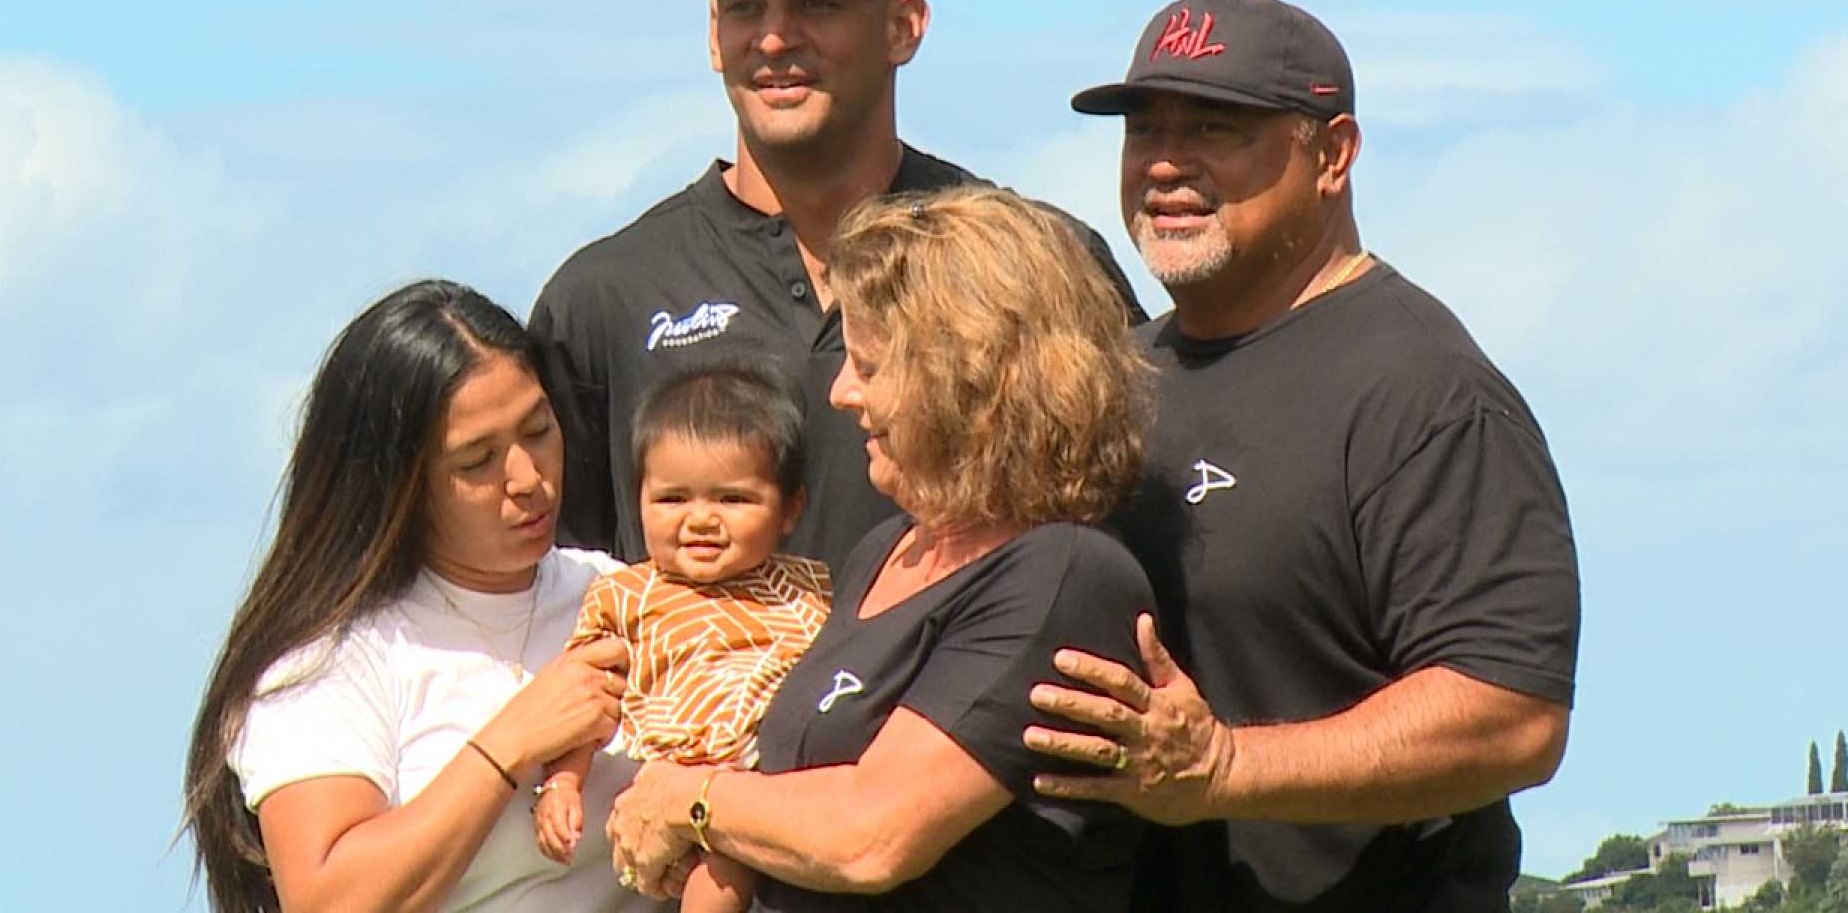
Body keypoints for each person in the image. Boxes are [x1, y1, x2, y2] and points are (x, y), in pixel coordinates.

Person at [1021, 0, 1582, 910]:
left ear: (1334, 154)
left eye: (1215, 126)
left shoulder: (1424, 392)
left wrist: (1226, 767)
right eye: (1144, 128)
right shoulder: (1109, 381)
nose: (1166, 162)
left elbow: (1513, 717)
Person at [529, 0, 1142, 573]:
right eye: (744, 3)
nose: (775, 37)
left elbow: (1129, 525)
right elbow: (548, 591)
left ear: (904, 27)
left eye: (818, 1)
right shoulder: (607, 297)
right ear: (712, 32)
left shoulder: (1028, 266)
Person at [604, 188, 1157, 911]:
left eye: (867, 366)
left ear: (968, 382)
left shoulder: (1061, 575)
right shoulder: (884, 550)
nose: (839, 393)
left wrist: (690, 799)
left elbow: (873, 836)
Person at [180, 280, 665, 912]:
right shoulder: (333, 658)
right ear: (397, 485)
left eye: (538, 430)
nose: (526, 478)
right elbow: (328, 902)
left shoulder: (623, 595)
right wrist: (510, 743)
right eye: (476, 461)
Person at [534, 360, 832, 913]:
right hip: (686, 778)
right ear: (639, 499)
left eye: (732, 499)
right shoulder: (625, 596)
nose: (700, 520)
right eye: (673, 499)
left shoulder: (808, 587)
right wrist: (561, 785)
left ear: (790, 508)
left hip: (790, 783)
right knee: (719, 877)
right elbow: (586, 708)